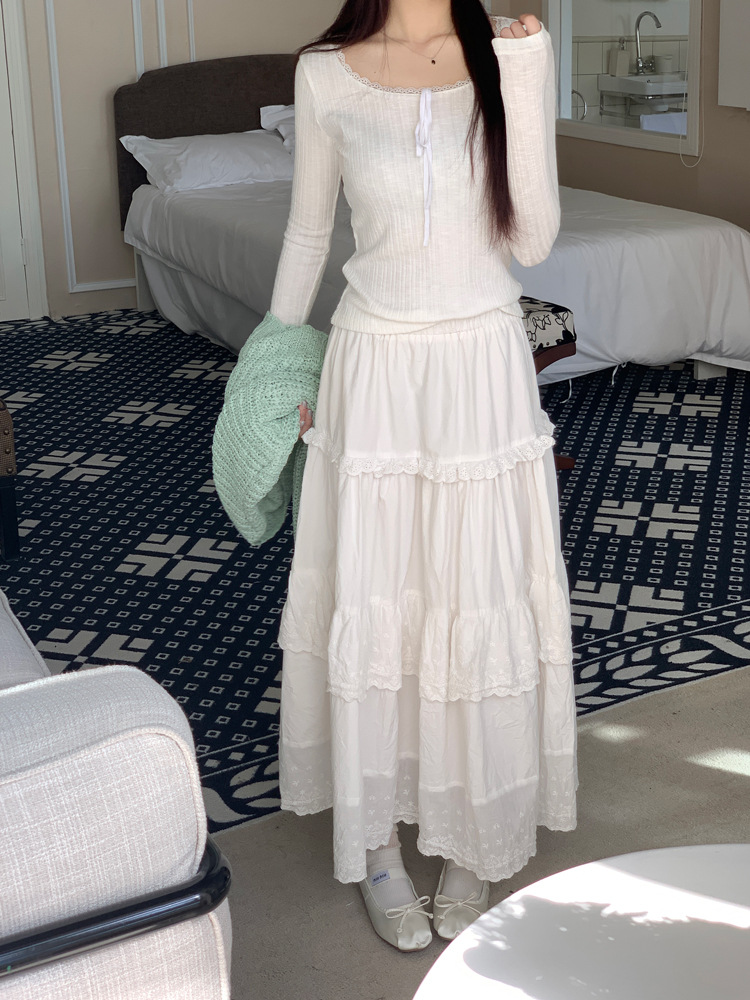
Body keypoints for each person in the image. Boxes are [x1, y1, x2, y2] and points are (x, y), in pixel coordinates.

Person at [269, 0, 577, 951]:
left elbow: (534, 239)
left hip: (482, 366)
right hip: (374, 367)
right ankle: (376, 849)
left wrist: (526, 73)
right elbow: (309, 235)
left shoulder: (506, 59)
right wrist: (275, 370)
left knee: (473, 595)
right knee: (378, 596)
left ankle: (473, 836)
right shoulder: (325, 72)